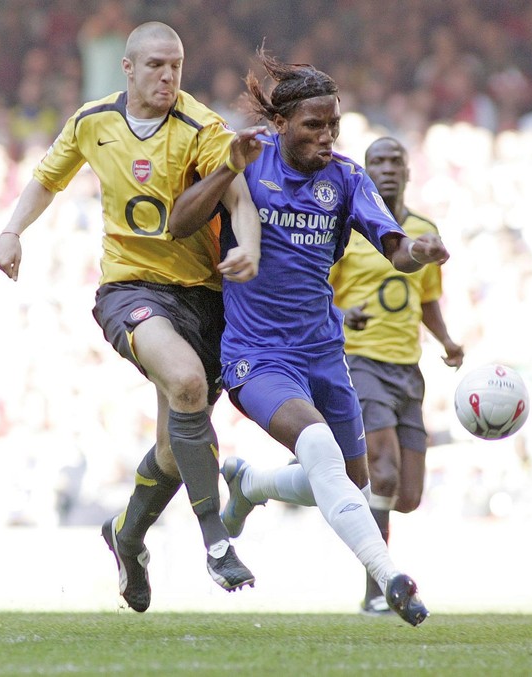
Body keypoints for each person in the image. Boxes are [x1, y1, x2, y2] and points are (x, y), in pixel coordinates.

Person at [0, 21, 267, 613]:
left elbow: (236, 192)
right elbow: (45, 180)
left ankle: (126, 536)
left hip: (203, 298)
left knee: (173, 450)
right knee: (187, 381)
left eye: (177, 66)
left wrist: (248, 246)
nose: (168, 77)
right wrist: (12, 231)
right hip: (130, 288)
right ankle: (216, 541)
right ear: (129, 68)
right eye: (157, 66)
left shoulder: (200, 126)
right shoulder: (93, 122)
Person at [168, 50, 450, 626]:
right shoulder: (247, 160)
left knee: (349, 480)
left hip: (323, 353)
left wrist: (416, 253)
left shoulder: (346, 177)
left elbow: (395, 248)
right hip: (256, 356)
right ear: (281, 124)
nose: (327, 137)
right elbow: (179, 223)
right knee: (319, 449)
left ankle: (251, 483)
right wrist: (225, 169)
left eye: (334, 125)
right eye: (314, 125)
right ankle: (389, 576)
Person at [329, 136, 464, 615]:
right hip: (361, 363)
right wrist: (345, 314)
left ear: (409, 170)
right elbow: (320, 293)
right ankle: (377, 590)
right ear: (365, 171)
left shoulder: (424, 230)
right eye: (377, 161)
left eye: (395, 161)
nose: (387, 168)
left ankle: (311, 482)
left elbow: (427, 298)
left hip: (409, 369)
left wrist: (446, 340)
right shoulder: (349, 229)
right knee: (382, 472)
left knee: (406, 496)